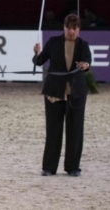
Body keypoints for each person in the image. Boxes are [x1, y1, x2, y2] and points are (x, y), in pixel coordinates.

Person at [32, 14, 92, 177]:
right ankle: (49, 167)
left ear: (78, 29)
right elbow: (39, 62)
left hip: (75, 93)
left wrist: (85, 65)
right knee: (53, 130)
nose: (72, 32)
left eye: (75, 28)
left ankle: (73, 167)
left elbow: (87, 62)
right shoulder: (53, 42)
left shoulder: (83, 45)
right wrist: (37, 53)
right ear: (64, 28)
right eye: (69, 28)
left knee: (75, 130)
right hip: (54, 92)